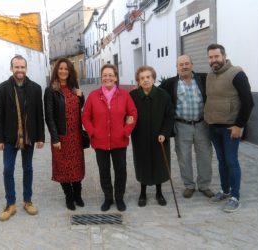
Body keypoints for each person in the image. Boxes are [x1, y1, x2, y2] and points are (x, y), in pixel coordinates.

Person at [0, 55, 45, 221]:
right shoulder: (2, 88)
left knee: (28, 168)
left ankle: (28, 201)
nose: (19, 70)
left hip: (29, 136)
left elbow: (39, 114)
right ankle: (11, 204)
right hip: (10, 137)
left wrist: (41, 137)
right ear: (11, 69)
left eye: (22, 67)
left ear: (26, 68)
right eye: (16, 67)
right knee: (8, 169)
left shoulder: (36, 88)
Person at [205, 44, 254, 212]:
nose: (213, 60)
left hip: (230, 128)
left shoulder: (237, 74)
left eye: (216, 57)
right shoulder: (210, 76)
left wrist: (239, 125)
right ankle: (225, 190)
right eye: (210, 57)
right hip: (214, 127)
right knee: (221, 161)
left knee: (232, 162)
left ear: (224, 56)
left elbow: (248, 102)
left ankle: (235, 196)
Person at [82, 64, 137, 212]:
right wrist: (92, 132)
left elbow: (132, 114)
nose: (108, 77)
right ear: (101, 78)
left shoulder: (124, 95)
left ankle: (119, 198)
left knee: (121, 170)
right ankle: (108, 198)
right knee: (104, 171)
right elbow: (85, 116)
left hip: (119, 141)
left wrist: (125, 131)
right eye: (105, 75)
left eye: (111, 75)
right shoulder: (93, 95)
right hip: (100, 142)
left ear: (116, 77)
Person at [160, 55, 214, 199]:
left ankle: (204, 185)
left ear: (192, 65)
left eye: (187, 64)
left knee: (205, 156)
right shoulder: (169, 83)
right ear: (176, 67)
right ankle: (189, 185)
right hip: (181, 125)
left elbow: (220, 77)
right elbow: (156, 94)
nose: (184, 67)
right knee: (184, 157)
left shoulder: (203, 79)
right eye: (181, 64)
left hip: (202, 124)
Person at [44, 58, 86, 211]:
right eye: (60, 68)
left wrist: (81, 96)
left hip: (75, 137)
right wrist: (54, 138)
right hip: (61, 137)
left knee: (76, 166)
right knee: (63, 168)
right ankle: (69, 196)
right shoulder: (51, 90)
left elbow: (82, 107)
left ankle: (78, 195)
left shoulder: (74, 87)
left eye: (66, 69)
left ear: (70, 72)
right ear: (57, 70)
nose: (63, 71)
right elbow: (49, 116)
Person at [130, 66, 174, 207]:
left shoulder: (163, 95)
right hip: (140, 138)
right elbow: (127, 113)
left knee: (159, 164)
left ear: (153, 78)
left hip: (159, 138)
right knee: (143, 165)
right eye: (142, 78)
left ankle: (159, 192)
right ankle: (142, 193)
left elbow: (169, 117)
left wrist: (164, 133)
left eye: (148, 77)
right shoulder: (133, 96)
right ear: (138, 80)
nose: (146, 80)